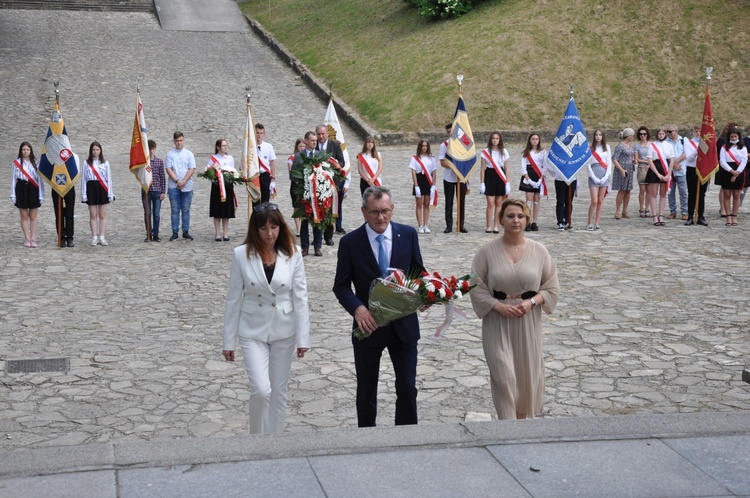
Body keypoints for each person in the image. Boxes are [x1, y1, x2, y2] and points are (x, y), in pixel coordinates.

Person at [333, 186, 425, 427]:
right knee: (366, 390)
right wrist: (358, 308)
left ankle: (406, 437)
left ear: (392, 210)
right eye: (374, 212)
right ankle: (366, 439)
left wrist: (426, 293)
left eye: (385, 211)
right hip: (368, 326)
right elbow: (340, 286)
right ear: (364, 212)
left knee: (407, 387)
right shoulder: (350, 242)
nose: (380, 217)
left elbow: (419, 272)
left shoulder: (408, 234)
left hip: (403, 326)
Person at [222, 203, 310, 434]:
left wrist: (303, 339)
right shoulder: (241, 255)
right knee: (261, 390)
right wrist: (228, 341)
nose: (270, 234)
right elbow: (233, 300)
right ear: (255, 230)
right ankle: (257, 441)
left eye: (274, 227)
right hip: (252, 330)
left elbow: (300, 297)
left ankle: (275, 441)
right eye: (263, 228)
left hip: (284, 328)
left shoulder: (294, 253)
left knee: (279, 390)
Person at [470, 198, 559, 420]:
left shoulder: (539, 251)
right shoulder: (486, 252)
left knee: (525, 377)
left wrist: (532, 302)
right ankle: (506, 426)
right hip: (496, 321)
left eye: (520, 216)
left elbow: (551, 287)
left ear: (527, 219)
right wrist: (497, 306)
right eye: (510, 216)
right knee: (504, 377)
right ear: (501, 220)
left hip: (527, 320)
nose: (516, 220)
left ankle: (520, 428)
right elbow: (474, 285)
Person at [291, 131, 323, 256]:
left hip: (317, 194)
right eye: (312, 140)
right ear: (306, 141)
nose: (315, 142)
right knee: (304, 221)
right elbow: (292, 174)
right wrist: (301, 180)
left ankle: (317, 246)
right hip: (304, 193)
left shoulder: (321, 155)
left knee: (317, 220)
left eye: (316, 140)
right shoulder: (299, 156)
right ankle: (305, 247)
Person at [317, 124, 348, 242]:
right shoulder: (314, 145)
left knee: (330, 209)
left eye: (323, 134)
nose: (321, 136)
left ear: (327, 134)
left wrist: (332, 165)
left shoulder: (334, 145)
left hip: (332, 182)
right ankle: (317, 235)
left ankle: (328, 236)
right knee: (318, 208)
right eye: (318, 134)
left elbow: (342, 161)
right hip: (318, 182)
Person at [10, 141, 44, 248]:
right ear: (21, 151)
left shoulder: (36, 163)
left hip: (33, 189)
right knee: (24, 216)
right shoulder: (16, 163)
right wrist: (13, 194)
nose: (26, 151)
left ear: (31, 151)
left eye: (28, 150)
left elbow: (40, 180)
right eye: (24, 149)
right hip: (21, 188)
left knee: (33, 216)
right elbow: (13, 179)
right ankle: (27, 238)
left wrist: (41, 195)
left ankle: (33, 238)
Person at [81, 141, 114, 246]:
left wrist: (110, 193)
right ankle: (94, 236)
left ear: (100, 151)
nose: (95, 152)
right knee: (93, 214)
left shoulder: (105, 163)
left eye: (97, 150)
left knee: (102, 214)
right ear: (91, 151)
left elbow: (109, 179)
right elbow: (84, 179)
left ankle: (102, 236)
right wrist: (83, 193)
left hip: (102, 188)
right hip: (91, 188)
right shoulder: (86, 163)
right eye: (93, 150)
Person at [165, 131, 196, 241]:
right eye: (177, 141)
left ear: (184, 140)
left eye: (181, 140)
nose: (179, 143)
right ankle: (175, 231)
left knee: (186, 209)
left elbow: (191, 169)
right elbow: (168, 169)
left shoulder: (189, 154)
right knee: (175, 209)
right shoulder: (170, 154)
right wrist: (177, 181)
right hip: (174, 186)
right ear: (174, 141)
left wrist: (184, 181)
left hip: (187, 186)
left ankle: (186, 231)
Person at [206, 138, 237, 241]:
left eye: (226, 145)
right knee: (217, 211)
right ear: (218, 147)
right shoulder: (213, 159)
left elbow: (233, 170)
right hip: (217, 187)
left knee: (226, 211)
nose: (225, 147)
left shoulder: (230, 158)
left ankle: (225, 233)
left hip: (227, 186)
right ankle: (217, 233)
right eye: (223, 145)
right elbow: (209, 172)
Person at [479, 131, 510, 233]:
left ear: (500, 139)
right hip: (489, 176)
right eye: (493, 138)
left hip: (500, 177)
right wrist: (482, 183)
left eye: (497, 138)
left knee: (498, 203)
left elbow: (507, 168)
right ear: (490, 139)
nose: (495, 140)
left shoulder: (504, 151)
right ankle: (488, 226)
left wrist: (508, 183)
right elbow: (482, 168)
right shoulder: (485, 152)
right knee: (490, 203)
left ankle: (496, 225)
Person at [440, 123, 468, 233]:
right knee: (449, 201)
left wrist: (460, 168)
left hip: (461, 177)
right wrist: (454, 166)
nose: (450, 134)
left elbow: (468, 158)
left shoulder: (464, 144)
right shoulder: (444, 145)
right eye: (448, 132)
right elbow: (443, 163)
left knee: (461, 201)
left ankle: (460, 224)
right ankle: (449, 225)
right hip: (449, 177)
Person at [718, 127, 747, 226]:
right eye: (732, 136)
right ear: (728, 137)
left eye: (735, 136)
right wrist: (731, 171)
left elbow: (744, 161)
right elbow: (722, 161)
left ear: (738, 136)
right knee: (727, 195)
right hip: (727, 171)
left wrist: (737, 172)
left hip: (739, 171)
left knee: (737, 195)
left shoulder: (743, 147)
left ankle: (735, 215)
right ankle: (728, 216)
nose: (734, 138)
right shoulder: (724, 147)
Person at [645, 127, 674, 226]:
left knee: (663, 194)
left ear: (665, 135)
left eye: (662, 134)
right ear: (657, 135)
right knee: (653, 193)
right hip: (655, 170)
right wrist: (657, 174)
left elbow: (671, 160)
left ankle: (661, 215)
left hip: (665, 169)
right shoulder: (652, 145)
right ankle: (654, 216)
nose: (661, 135)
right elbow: (649, 160)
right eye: (659, 134)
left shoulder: (669, 146)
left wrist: (669, 174)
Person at [519, 133, 547, 231]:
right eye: (533, 139)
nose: (535, 141)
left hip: (538, 175)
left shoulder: (543, 152)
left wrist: (540, 179)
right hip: (528, 175)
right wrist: (529, 180)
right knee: (528, 198)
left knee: (536, 199)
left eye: (536, 139)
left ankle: (534, 222)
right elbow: (523, 168)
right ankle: (527, 221)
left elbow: (545, 165)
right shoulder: (525, 152)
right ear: (530, 140)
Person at [586, 130, 611, 231]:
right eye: (596, 135)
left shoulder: (607, 147)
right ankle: (589, 222)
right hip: (593, 175)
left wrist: (606, 176)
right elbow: (587, 164)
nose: (598, 137)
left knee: (600, 200)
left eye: (600, 135)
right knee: (594, 201)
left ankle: (597, 222)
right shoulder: (590, 148)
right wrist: (593, 177)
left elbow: (609, 163)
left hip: (604, 174)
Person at [409, 139, 437, 233]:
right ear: (420, 147)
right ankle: (420, 225)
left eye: (426, 146)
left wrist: (433, 186)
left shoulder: (432, 158)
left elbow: (434, 172)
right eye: (423, 146)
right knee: (419, 204)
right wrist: (416, 186)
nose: (424, 147)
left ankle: (425, 224)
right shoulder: (415, 158)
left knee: (426, 204)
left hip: (428, 181)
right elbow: (413, 172)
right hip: (419, 180)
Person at [684, 125, 708, 226]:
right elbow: (689, 158)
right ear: (693, 132)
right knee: (692, 193)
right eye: (696, 131)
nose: (698, 133)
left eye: (700, 131)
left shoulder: (706, 143)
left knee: (702, 194)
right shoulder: (689, 143)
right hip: (692, 169)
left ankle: (701, 216)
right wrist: (697, 151)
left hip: (703, 169)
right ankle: (690, 216)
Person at [143, 140, 166, 242]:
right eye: (149, 149)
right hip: (146, 191)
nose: (151, 151)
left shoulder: (159, 162)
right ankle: (148, 234)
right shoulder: (143, 162)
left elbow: (162, 177)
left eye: (153, 149)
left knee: (156, 214)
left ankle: (155, 234)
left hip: (157, 191)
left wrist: (163, 191)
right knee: (147, 213)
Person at [611, 128, 636, 219]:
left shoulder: (630, 146)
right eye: (632, 135)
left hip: (629, 168)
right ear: (628, 136)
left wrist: (633, 161)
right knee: (621, 190)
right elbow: (614, 159)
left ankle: (625, 210)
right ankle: (618, 210)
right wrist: (621, 170)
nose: (633, 137)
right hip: (622, 169)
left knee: (628, 190)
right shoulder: (620, 146)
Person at [666, 125, 688, 220]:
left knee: (683, 192)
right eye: (668, 131)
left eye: (670, 131)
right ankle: (673, 211)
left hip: (681, 170)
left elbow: (686, 153)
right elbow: (666, 155)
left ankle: (684, 211)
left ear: (676, 131)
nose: (669, 133)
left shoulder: (683, 140)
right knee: (671, 192)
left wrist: (676, 162)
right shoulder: (666, 142)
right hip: (671, 171)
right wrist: (674, 165)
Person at [253, 123, 277, 207]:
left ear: (264, 134)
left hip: (265, 175)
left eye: (261, 133)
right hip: (254, 176)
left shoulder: (268, 146)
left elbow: (272, 163)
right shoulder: (250, 147)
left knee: (265, 201)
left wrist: (273, 179)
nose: (259, 135)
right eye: (257, 132)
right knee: (255, 201)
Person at [550, 161, 576, 231]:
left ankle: (567, 220)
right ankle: (560, 221)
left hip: (572, 178)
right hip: (559, 178)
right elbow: (549, 160)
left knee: (569, 201)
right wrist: (555, 173)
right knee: (560, 201)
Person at [287, 138, 306, 236]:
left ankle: (303, 227)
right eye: (300, 146)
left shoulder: (307, 157)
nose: (302, 148)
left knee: (304, 207)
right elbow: (291, 171)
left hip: (304, 185)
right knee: (296, 207)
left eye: (303, 146)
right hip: (295, 184)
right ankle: (298, 228)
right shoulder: (292, 157)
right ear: (296, 147)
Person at [634, 126, 652, 218]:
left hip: (650, 168)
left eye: (644, 134)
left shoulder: (651, 145)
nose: (642, 136)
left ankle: (647, 208)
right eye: (641, 134)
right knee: (642, 190)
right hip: (642, 168)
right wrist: (646, 162)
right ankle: (641, 208)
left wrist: (649, 164)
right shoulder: (637, 146)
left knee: (649, 190)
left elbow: (654, 157)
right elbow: (636, 159)